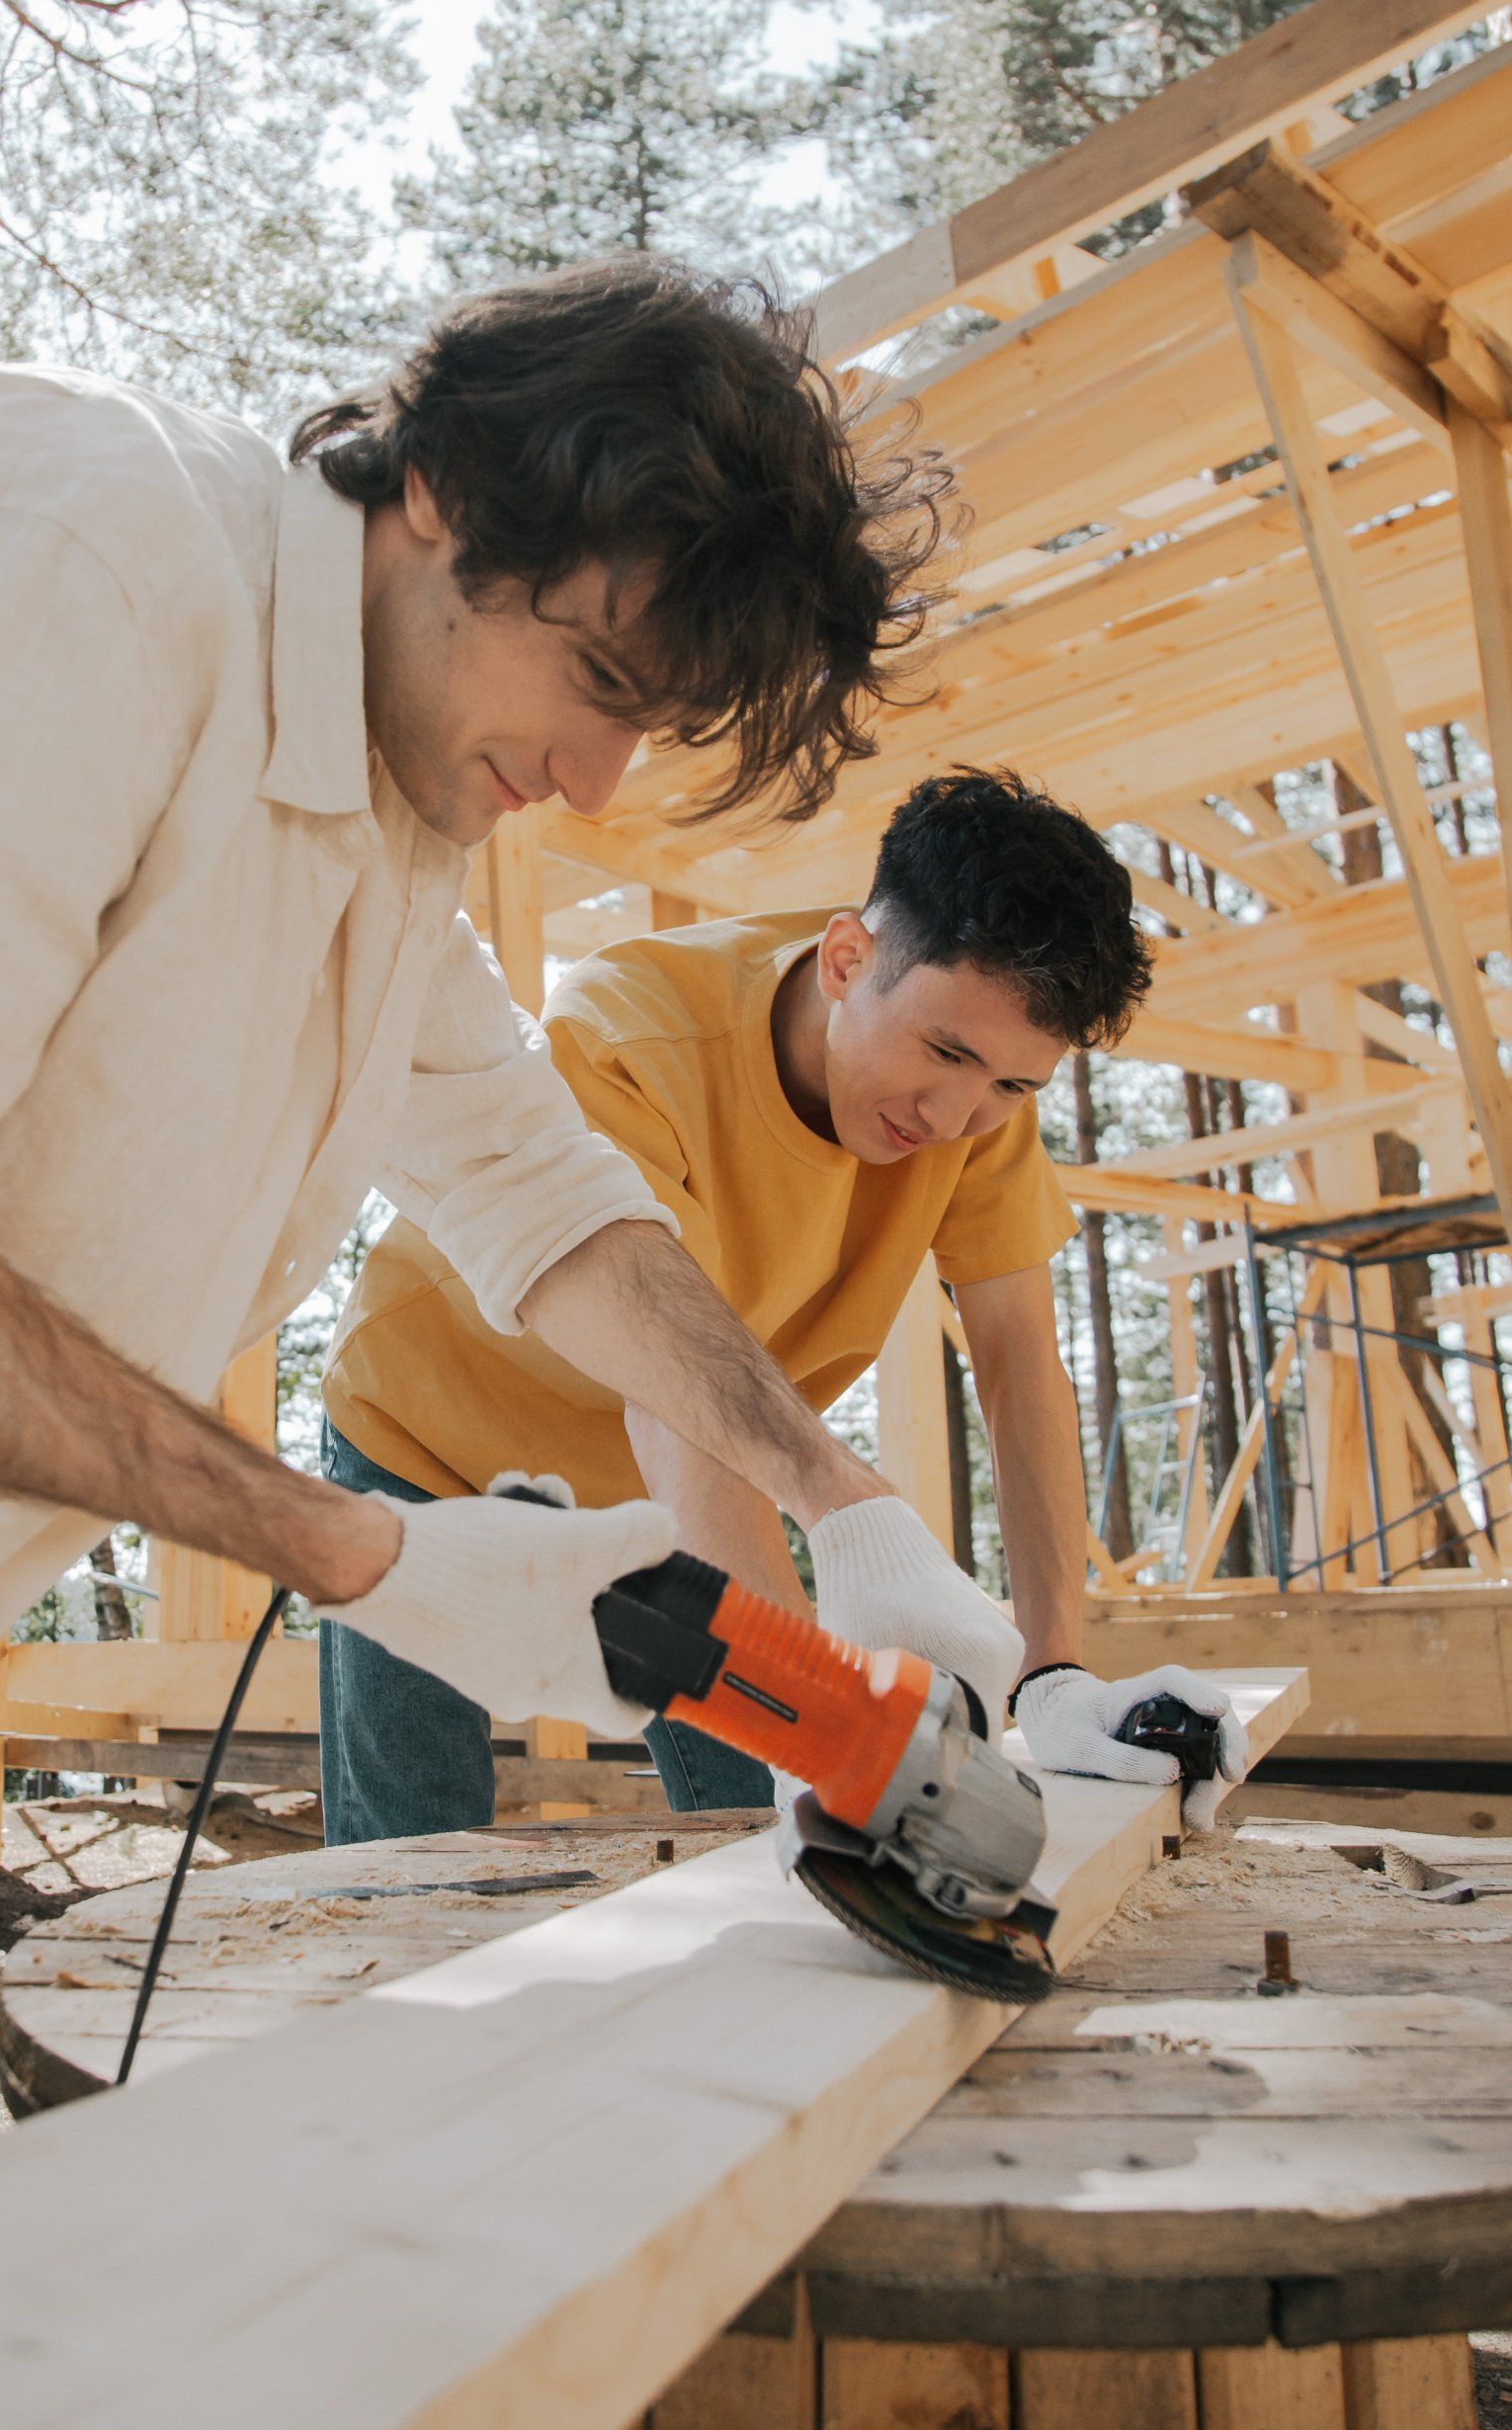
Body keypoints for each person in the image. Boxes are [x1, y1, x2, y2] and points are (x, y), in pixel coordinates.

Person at [0, 260, 1003, 2272]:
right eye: (605, 684)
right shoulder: (64, 559)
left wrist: (837, 1491)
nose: (600, 785)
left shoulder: (374, 826)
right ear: (444, 493)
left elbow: (544, 1197)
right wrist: (363, 1556)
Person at [321, 768, 1249, 1841]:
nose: (955, 1116)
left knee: (754, 1816)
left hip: (673, 1475)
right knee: (414, 1846)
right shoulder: (632, 1036)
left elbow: (1019, 1362)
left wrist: (1052, 1673)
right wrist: (833, 1730)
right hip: (432, 1438)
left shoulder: (977, 1100)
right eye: (945, 1055)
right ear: (848, 959)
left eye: (1012, 1085)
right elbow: (668, 1393)